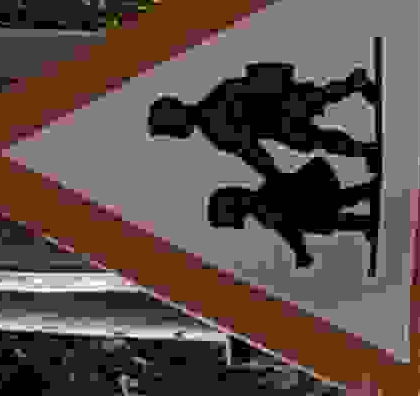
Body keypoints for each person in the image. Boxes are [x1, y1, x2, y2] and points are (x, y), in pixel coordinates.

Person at [150, 60, 382, 182]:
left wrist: (273, 175)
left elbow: (250, 150)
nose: (174, 132)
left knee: (319, 131)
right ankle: (356, 89)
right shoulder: (214, 102)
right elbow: (250, 148)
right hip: (279, 113)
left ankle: (365, 144)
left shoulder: (214, 127)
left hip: (279, 115)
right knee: (320, 106)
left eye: (169, 128)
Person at [207, 151, 382, 273]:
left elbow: (289, 230)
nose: (233, 223)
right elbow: (288, 229)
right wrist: (300, 252)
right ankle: (366, 203)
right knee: (321, 214)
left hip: (317, 181)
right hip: (317, 180)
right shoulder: (262, 205)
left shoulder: (263, 205)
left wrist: (300, 252)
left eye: (229, 219)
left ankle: (365, 214)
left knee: (320, 216)